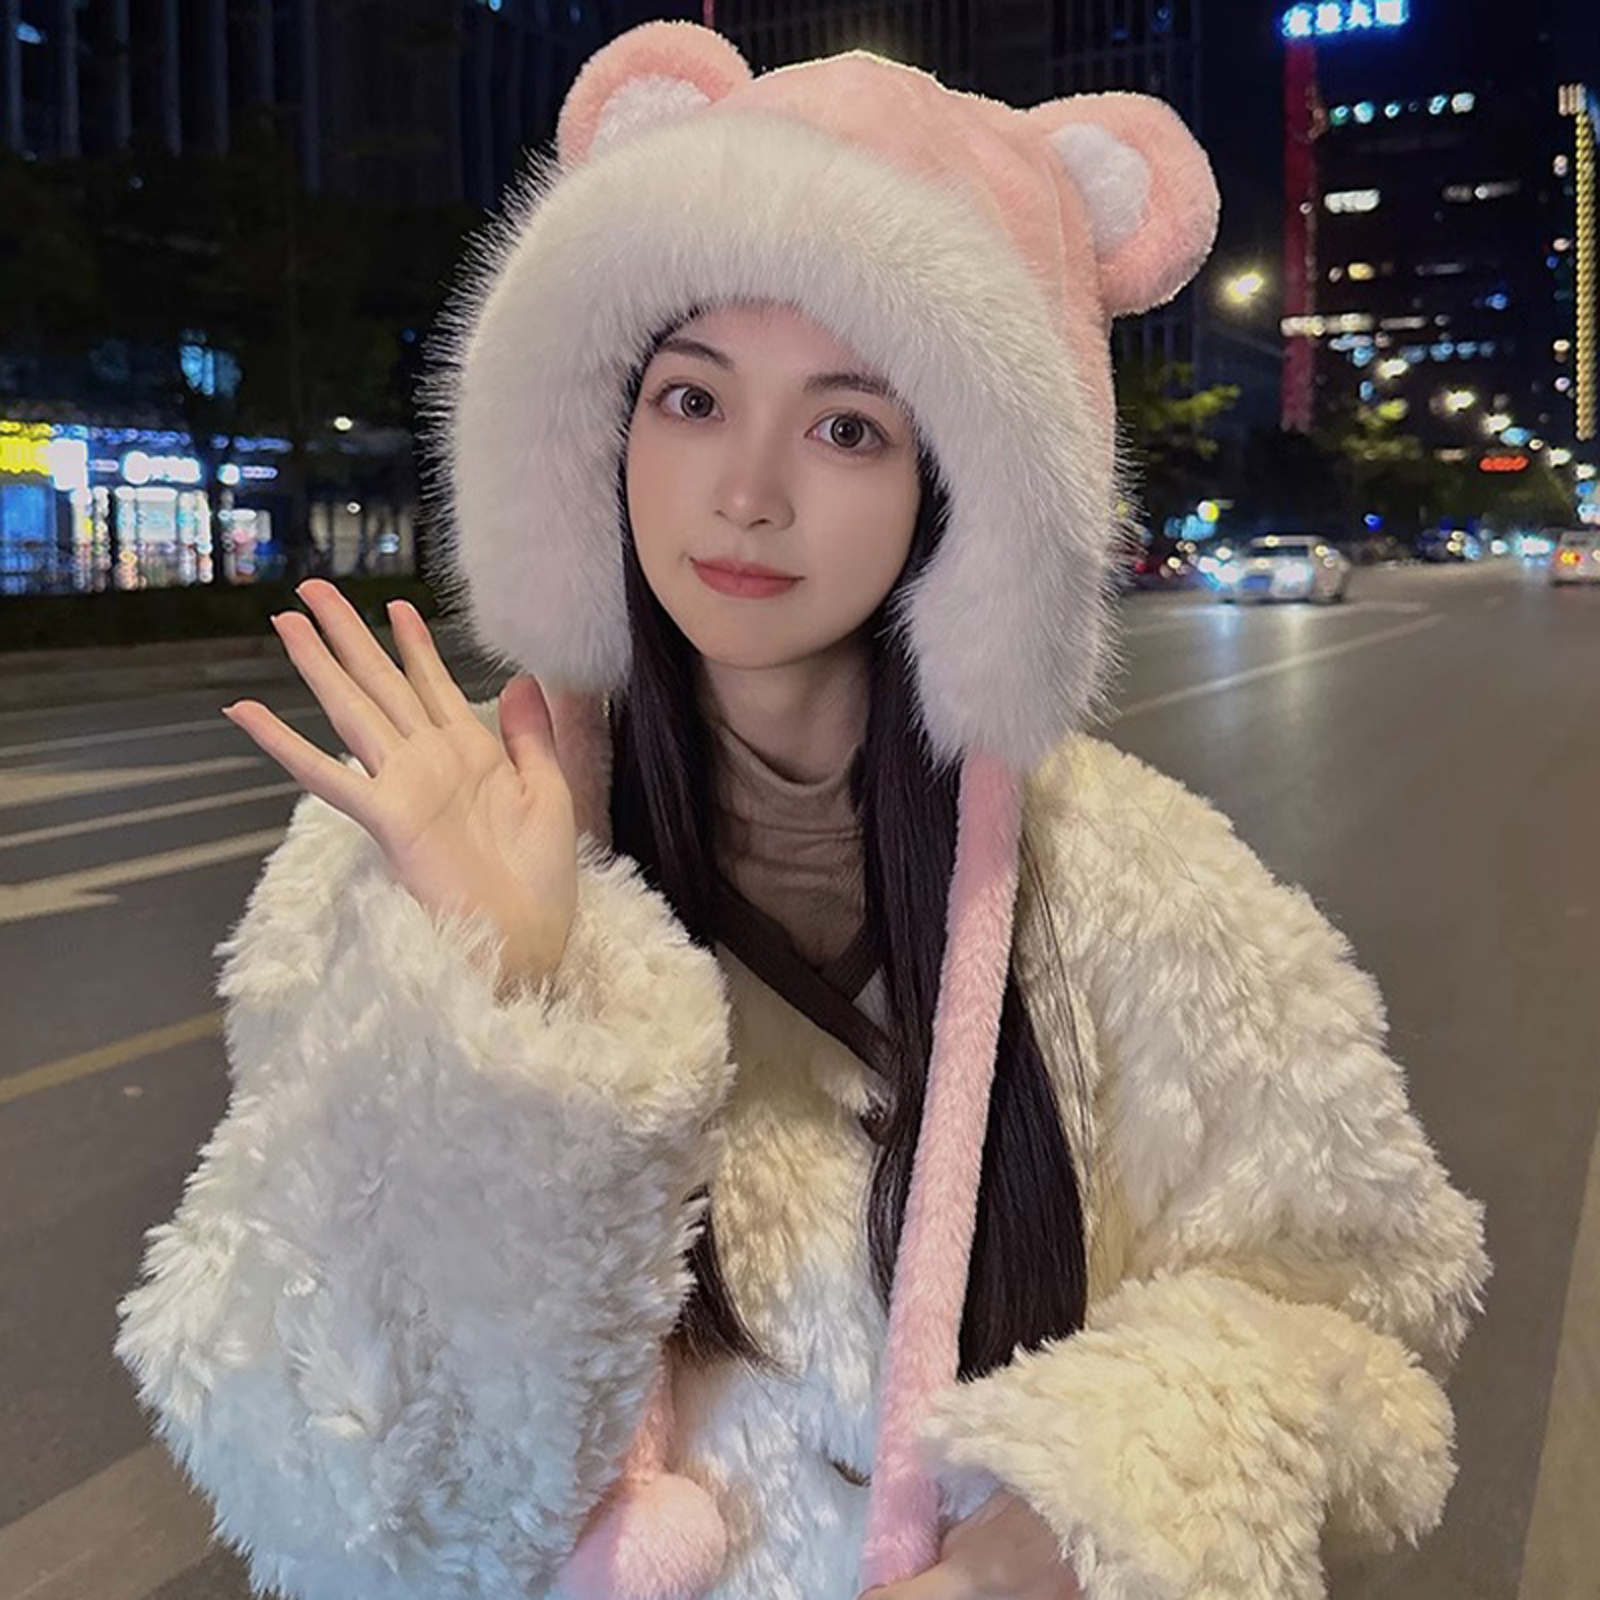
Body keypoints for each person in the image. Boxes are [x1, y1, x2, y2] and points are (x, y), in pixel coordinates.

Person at [116, 21, 1490, 1600]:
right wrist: (504, 1007)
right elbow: (324, 1469)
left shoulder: (1136, 886)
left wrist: (1086, 1523)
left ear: (956, 487)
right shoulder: (425, 847)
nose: (746, 492)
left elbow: (1353, 1309)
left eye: (848, 427)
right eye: (691, 399)